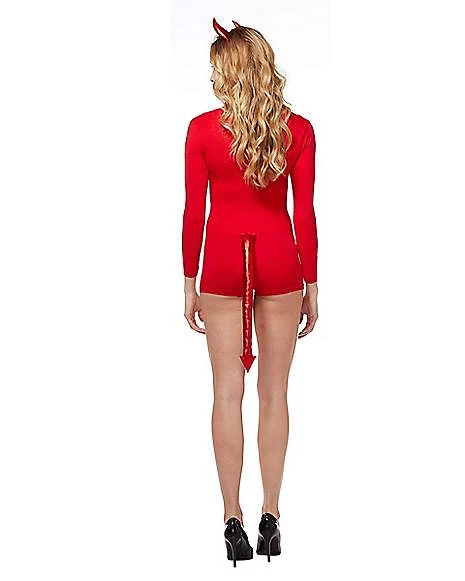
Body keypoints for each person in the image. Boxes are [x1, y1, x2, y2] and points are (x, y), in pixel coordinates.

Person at [182, 18, 319, 566]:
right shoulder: (298, 130)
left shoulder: (201, 130)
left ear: (230, 70)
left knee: (226, 394)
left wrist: (187, 280)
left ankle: (231, 519)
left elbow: (195, 212)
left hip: (220, 262)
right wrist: (312, 283)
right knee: (274, 394)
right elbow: (304, 215)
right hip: (281, 261)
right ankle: (271, 517)